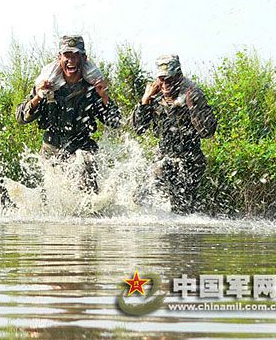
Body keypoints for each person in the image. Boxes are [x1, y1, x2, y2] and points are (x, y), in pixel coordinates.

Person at [15, 35, 121, 193]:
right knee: (51, 198)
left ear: (84, 58)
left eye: (75, 56)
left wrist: (104, 96)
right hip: (53, 148)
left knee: (87, 181)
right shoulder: (48, 84)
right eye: (67, 56)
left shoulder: (93, 88)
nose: (71, 60)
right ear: (60, 58)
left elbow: (115, 122)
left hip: (82, 147)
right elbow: (21, 118)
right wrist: (38, 97)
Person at [132, 54, 217, 213]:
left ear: (179, 76)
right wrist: (145, 101)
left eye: (169, 79)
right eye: (162, 79)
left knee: (181, 210)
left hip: (189, 160)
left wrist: (193, 108)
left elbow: (207, 131)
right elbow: (139, 128)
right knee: (139, 198)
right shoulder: (155, 96)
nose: (165, 84)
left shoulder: (193, 94)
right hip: (163, 158)